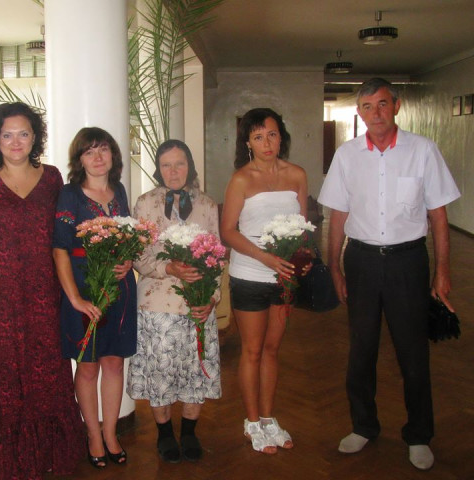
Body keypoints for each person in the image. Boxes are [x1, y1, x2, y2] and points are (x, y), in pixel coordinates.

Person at [318, 78, 460, 471]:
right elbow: (338, 215)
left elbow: (438, 215)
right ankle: (363, 426)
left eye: (382, 104)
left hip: (408, 263)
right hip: (361, 262)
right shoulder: (347, 156)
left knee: (412, 351)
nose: (375, 113)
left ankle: (419, 434)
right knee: (361, 349)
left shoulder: (422, 151)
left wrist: (442, 271)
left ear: (395, 106)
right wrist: (334, 267)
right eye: (367, 106)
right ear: (359, 112)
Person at [0, 102, 85, 478]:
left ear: (35, 137)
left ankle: (52, 454)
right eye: (7, 134)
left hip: (44, 295)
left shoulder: (52, 178)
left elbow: (66, 235)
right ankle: (11, 459)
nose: (15, 142)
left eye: (23, 133)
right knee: (7, 375)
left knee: (49, 373)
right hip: (0, 296)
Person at [127, 139, 222, 463]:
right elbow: (138, 256)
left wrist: (211, 297)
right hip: (157, 302)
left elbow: (217, 256)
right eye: (166, 165)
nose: (173, 171)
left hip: (197, 302)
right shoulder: (145, 204)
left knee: (196, 370)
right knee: (161, 372)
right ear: (158, 169)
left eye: (179, 164)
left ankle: (190, 432)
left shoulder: (207, 205)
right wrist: (168, 267)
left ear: (189, 166)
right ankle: (165, 434)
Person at [220, 108, 309, 454]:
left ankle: (269, 419)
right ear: (248, 143)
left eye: (271, 134)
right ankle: (252, 422)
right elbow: (228, 231)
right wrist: (265, 257)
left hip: (283, 278)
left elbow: (302, 227)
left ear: (281, 136)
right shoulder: (241, 179)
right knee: (253, 350)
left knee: (273, 349)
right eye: (258, 137)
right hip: (249, 275)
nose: (266, 143)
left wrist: (300, 260)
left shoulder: (297, 175)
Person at [53, 127, 137, 468]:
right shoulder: (70, 194)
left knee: (114, 363)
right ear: (80, 159)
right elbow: (60, 249)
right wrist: (74, 298)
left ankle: (111, 433)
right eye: (89, 151)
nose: (98, 157)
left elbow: (127, 239)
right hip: (84, 290)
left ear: (113, 154)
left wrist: (128, 259)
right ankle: (93, 435)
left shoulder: (120, 191)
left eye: (103, 149)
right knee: (87, 367)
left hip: (120, 290)